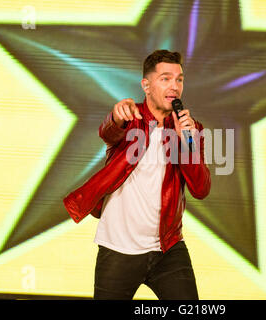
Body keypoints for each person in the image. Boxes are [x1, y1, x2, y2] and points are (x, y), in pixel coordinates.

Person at [63, 49, 211, 300]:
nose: (174, 86)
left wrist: (187, 143)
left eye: (179, 79)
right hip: (118, 250)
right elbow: (108, 133)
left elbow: (201, 189)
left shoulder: (192, 128)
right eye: (165, 78)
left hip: (168, 248)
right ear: (146, 85)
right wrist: (116, 117)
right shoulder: (130, 118)